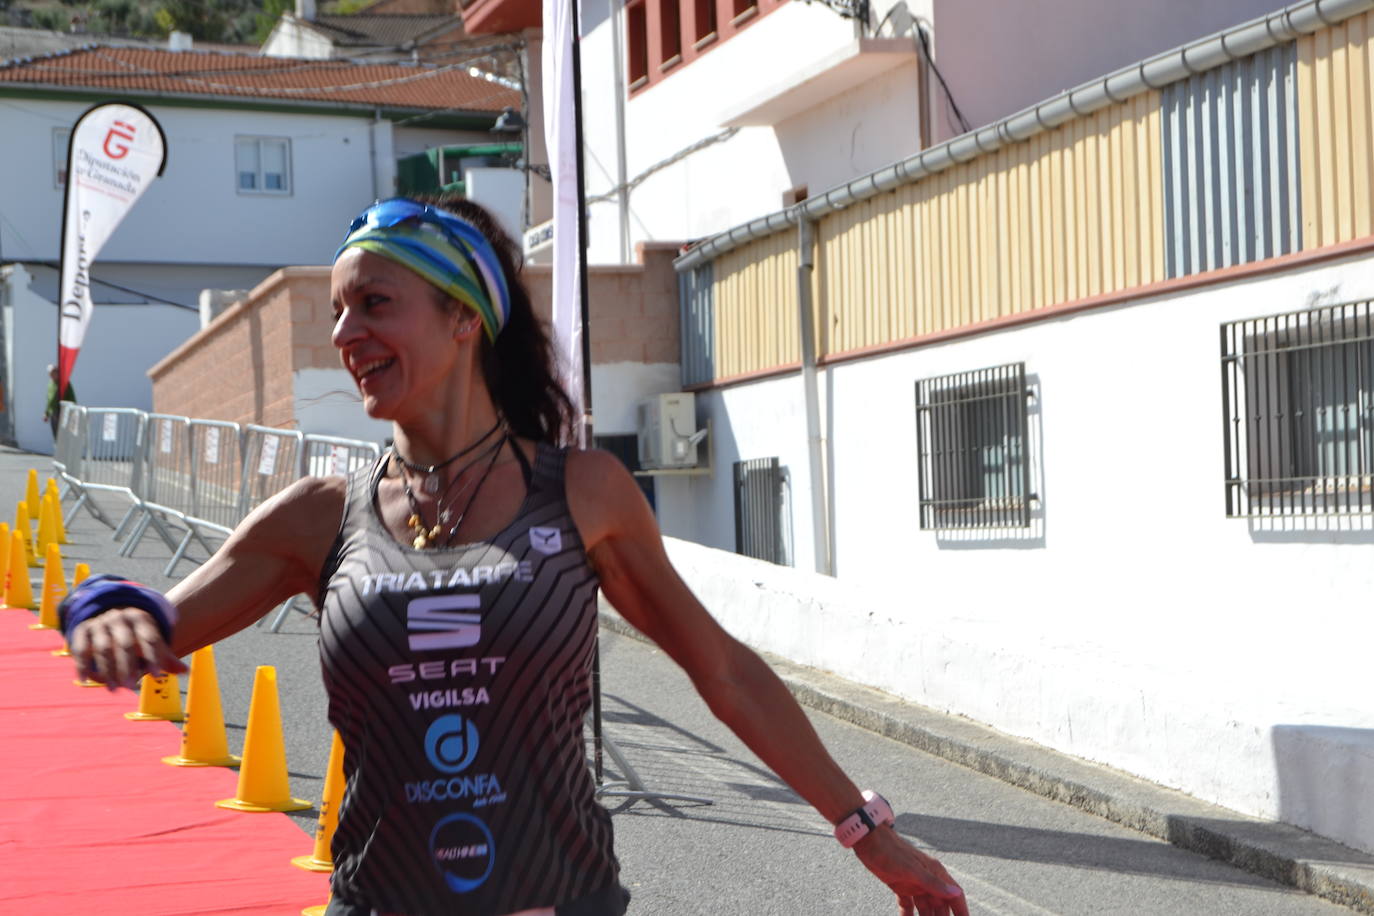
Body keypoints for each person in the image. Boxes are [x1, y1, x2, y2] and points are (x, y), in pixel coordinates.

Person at [60, 197, 969, 916]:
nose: (344, 335)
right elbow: (155, 619)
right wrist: (97, 608)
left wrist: (865, 829)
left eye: (374, 303)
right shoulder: (319, 517)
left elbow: (723, 669)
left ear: (464, 320)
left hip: (561, 900)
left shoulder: (584, 493)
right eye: (337, 312)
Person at [43, 363, 76, 441]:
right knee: (56, 435)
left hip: (63, 412)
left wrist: (73, 412)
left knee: (64, 435)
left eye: (54, 372)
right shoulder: (50, 384)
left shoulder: (64, 383)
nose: (52, 375)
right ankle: (58, 449)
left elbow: (72, 398)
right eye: (50, 373)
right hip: (53, 413)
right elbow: (49, 400)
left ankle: (64, 451)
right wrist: (46, 413)